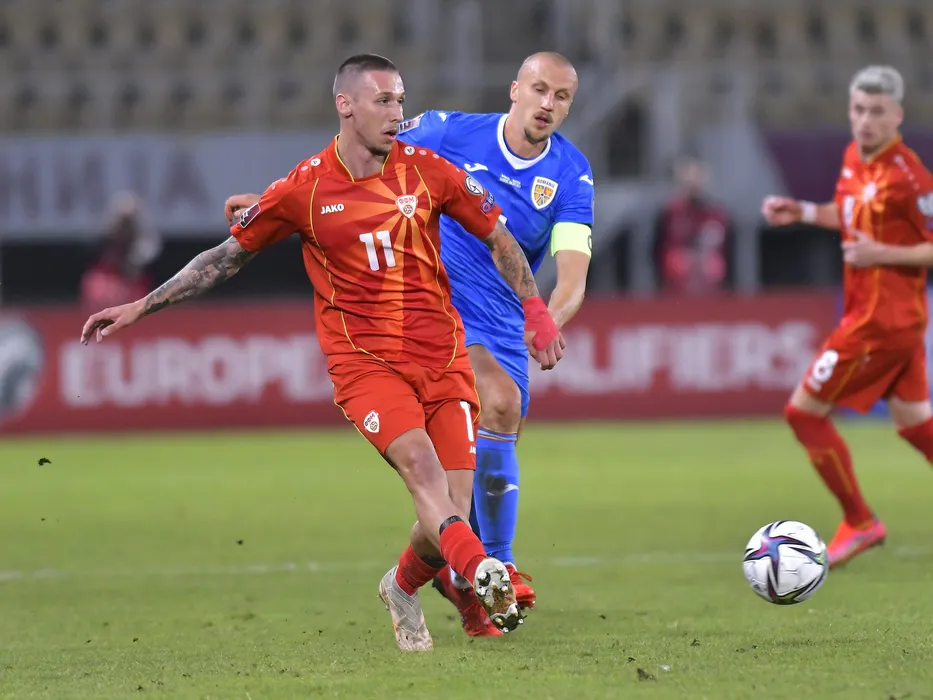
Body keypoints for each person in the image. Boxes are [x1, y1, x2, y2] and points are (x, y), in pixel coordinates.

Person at [80, 54, 566, 651]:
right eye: (383, 101)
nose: (396, 113)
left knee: (450, 515)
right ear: (346, 105)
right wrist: (141, 305)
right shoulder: (305, 188)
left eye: (400, 100)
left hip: (443, 357)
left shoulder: (428, 171)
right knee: (423, 471)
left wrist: (535, 309)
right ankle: (483, 572)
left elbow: (498, 235)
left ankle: (403, 586)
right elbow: (223, 259)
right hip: (367, 365)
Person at [225, 51, 594, 637]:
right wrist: (273, 202)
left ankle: (436, 578)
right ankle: (497, 567)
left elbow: (571, 274)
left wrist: (545, 318)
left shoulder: (571, 174)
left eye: (562, 96)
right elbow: (358, 153)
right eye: (539, 90)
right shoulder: (447, 131)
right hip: (436, 303)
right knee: (497, 405)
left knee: (462, 482)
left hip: (505, 318)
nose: (548, 104)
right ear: (515, 90)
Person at [762, 65, 933, 569]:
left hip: (880, 323)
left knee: (803, 413)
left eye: (877, 111)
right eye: (858, 109)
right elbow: (851, 213)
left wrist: (883, 253)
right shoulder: (854, 158)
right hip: (884, 317)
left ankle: (860, 521)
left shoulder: (911, 178)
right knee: (916, 425)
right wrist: (804, 212)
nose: (865, 120)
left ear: (897, 115)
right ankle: (859, 521)